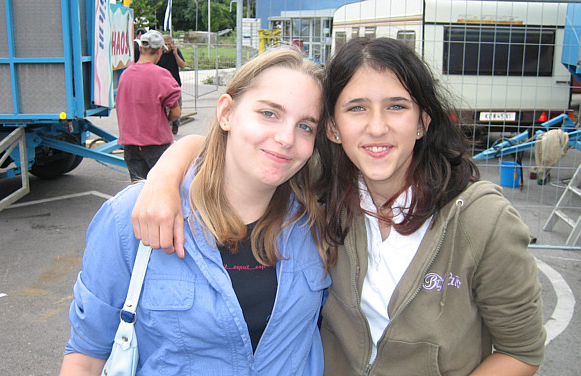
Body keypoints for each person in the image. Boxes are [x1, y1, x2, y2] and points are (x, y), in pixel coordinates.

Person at [131, 37, 546, 375]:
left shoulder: (481, 219)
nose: (377, 126)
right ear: (333, 128)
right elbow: (240, 146)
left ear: (423, 122)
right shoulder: (322, 197)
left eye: (397, 106)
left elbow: (522, 350)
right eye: (356, 108)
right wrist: (166, 174)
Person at [59, 48, 332, 375]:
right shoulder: (132, 216)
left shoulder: (317, 221)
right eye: (269, 113)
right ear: (227, 113)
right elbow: (86, 357)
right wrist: (165, 173)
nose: (286, 137)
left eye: (305, 126)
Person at [116, 30, 181, 182]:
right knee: (161, 188)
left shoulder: (125, 75)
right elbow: (176, 113)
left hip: (130, 144)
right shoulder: (161, 75)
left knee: (138, 190)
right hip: (156, 144)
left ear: (140, 49)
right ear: (159, 50)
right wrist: (165, 119)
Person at [157, 34, 186, 135]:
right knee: (166, 107)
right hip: (162, 85)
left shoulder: (175, 52)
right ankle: (167, 127)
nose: (167, 47)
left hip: (175, 84)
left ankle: (176, 123)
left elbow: (182, 65)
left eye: (169, 44)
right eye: (165, 44)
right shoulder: (159, 54)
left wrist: (175, 54)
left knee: (177, 106)